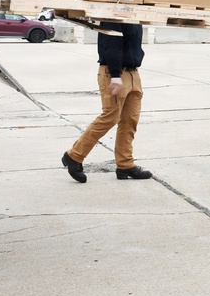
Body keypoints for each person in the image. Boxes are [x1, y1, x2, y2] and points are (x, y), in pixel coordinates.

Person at [61, 22, 152, 183]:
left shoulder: (136, 15)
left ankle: (125, 165)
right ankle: (74, 156)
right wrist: (115, 74)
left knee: (130, 121)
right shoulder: (112, 16)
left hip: (133, 73)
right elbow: (112, 45)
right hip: (114, 72)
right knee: (110, 117)